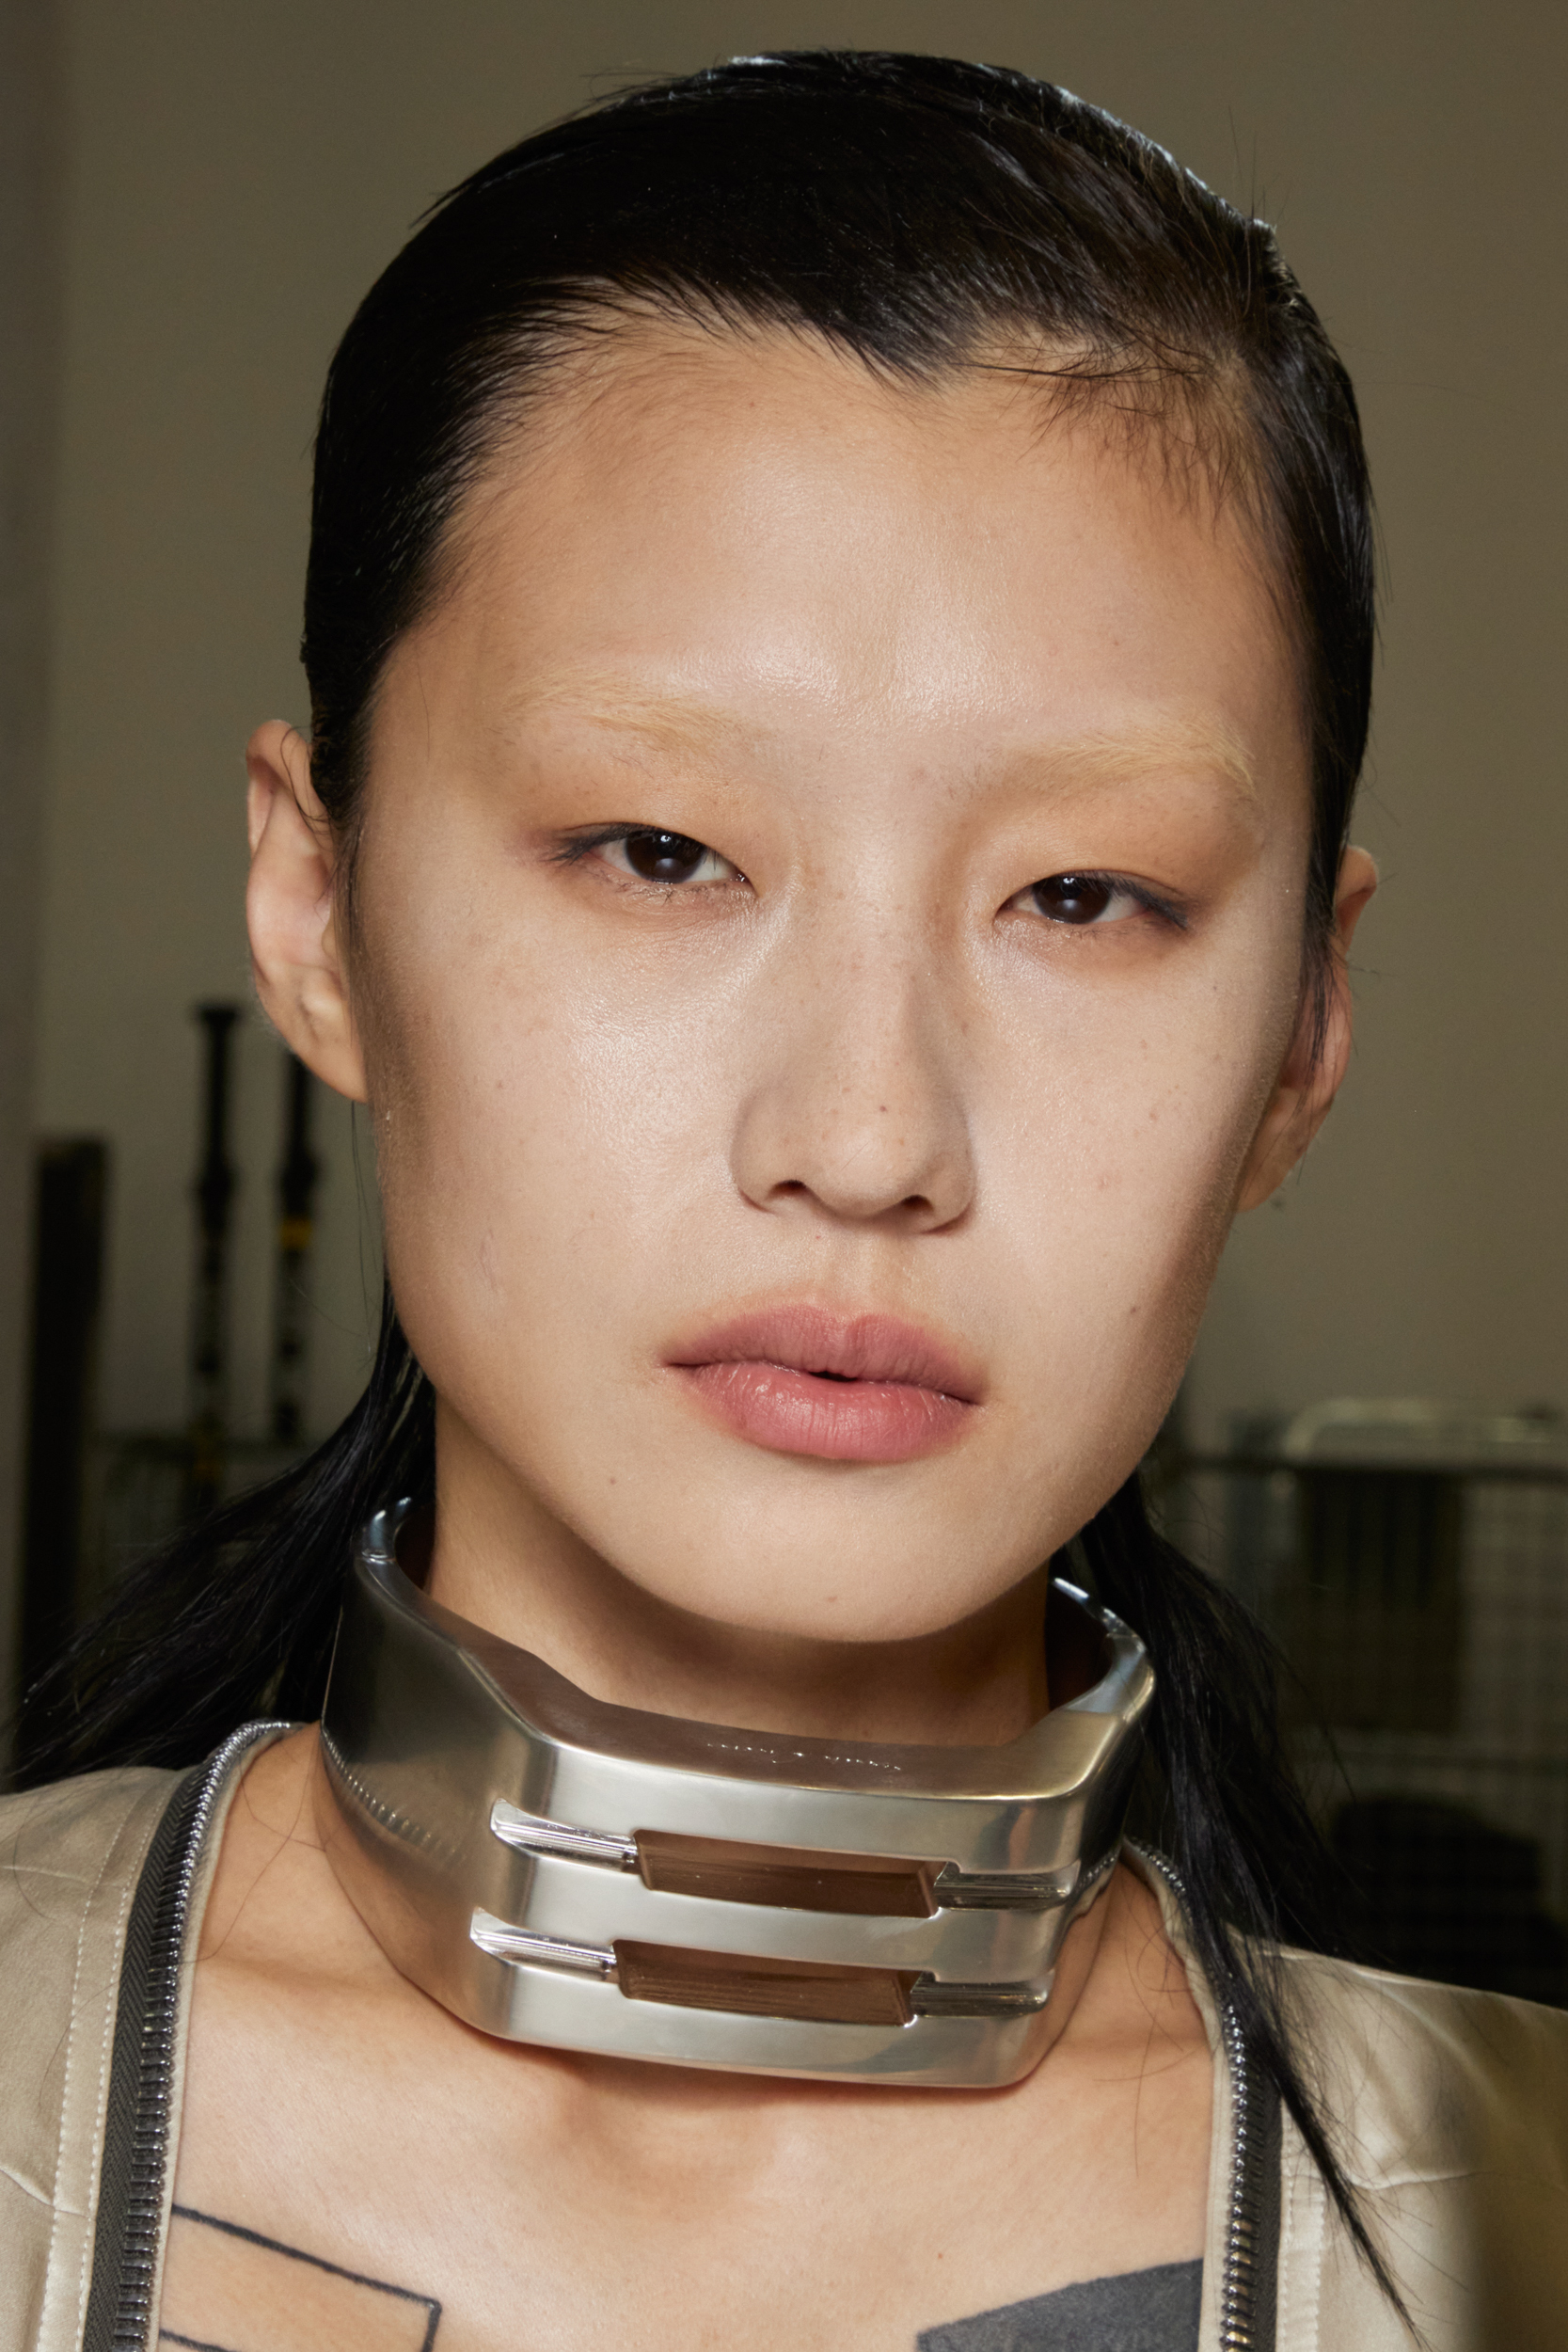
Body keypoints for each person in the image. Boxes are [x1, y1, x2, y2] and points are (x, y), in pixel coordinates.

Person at [4, 51, 1564, 2352]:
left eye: (1085, 893)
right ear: (318, 906)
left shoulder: (1503, 2230)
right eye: (661, 850)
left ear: (1305, 1030)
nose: (865, 1132)